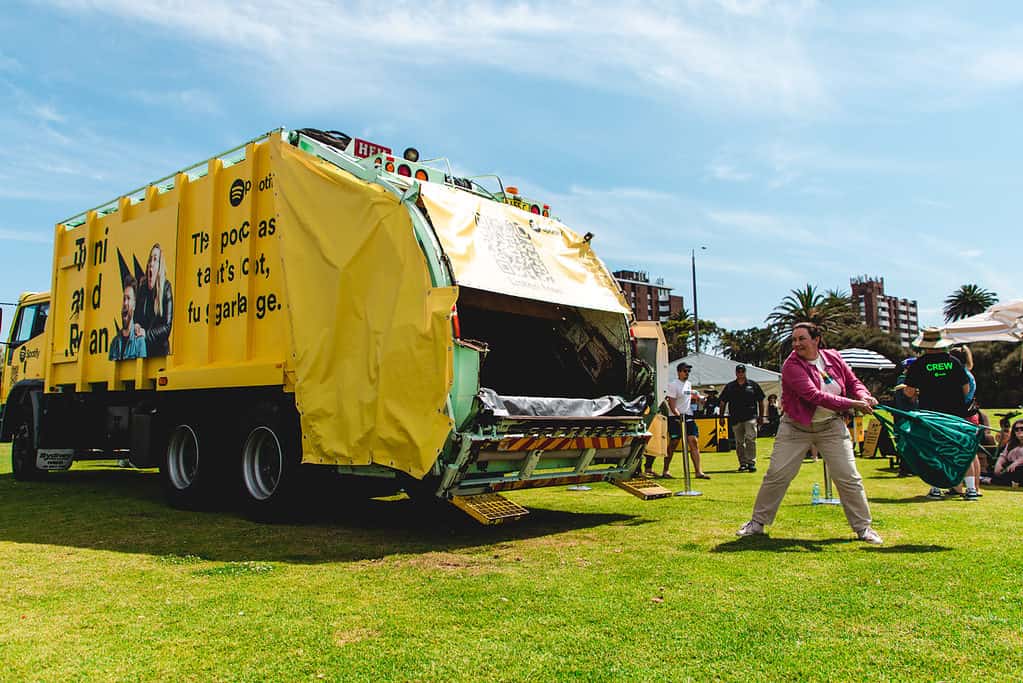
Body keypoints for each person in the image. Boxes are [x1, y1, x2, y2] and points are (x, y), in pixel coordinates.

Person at [736, 322, 882, 544]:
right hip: (795, 428)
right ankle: (757, 523)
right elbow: (815, 396)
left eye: (801, 339)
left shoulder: (833, 357)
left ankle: (864, 528)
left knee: (849, 477)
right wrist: (853, 403)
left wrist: (863, 396)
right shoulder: (791, 365)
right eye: (794, 339)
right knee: (777, 474)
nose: (796, 344)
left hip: (831, 426)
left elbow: (853, 382)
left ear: (816, 339)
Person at [902, 328, 974, 500]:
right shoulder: (954, 362)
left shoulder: (918, 365)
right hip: (956, 414)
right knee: (962, 447)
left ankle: (935, 489)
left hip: (931, 414)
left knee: (933, 449)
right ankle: (971, 489)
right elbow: (966, 388)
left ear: (925, 346)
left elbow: (909, 392)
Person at [647, 363, 709, 479]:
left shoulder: (689, 385)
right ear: (679, 372)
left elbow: (688, 397)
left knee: (693, 441)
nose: (687, 374)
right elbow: (671, 403)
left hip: (688, 416)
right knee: (674, 443)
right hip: (675, 417)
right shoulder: (673, 385)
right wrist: (677, 415)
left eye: (688, 372)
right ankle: (666, 470)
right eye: (685, 371)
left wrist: (699, 399)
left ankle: (698, 471)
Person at [719, 364, 765, 472]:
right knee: (739, 442)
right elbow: (722, 402)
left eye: (742, 371)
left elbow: (761, 401)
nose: (740, 374)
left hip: (750, 417)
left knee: (751, 439)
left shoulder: (752, 385)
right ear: (736, 373)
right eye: (738, 372)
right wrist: (721, 417)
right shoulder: (730, 386)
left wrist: (761, 416)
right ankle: (743, 463)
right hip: (735, 418)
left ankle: (751, 462)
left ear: (745, 372)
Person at [134, 243, 174, 357]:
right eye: (150, 259)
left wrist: (146, 334)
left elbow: (167, 327)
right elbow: (136, 317)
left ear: (160, 265)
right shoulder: (142, 289)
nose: (151, 264)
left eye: (155, 259)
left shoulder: (166, 288)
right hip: (143, 353)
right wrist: (136, 325)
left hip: (160, 353)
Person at [108, 278, 147, 361]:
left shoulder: (139, 342)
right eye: (124, 299)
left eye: (128, 299)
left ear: (134, 304)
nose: (125, 303)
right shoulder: (114, 343)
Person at [989, 419, 1023, 486]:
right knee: (994, 469)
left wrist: (1017, 462)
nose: (1019, 431)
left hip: (1019, 467)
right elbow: (1003, 455)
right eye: (1017, 429)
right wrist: (998, 464)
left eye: (1022, 429)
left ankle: (988, 480)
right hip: (1010, 467)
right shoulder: (1011, 443)